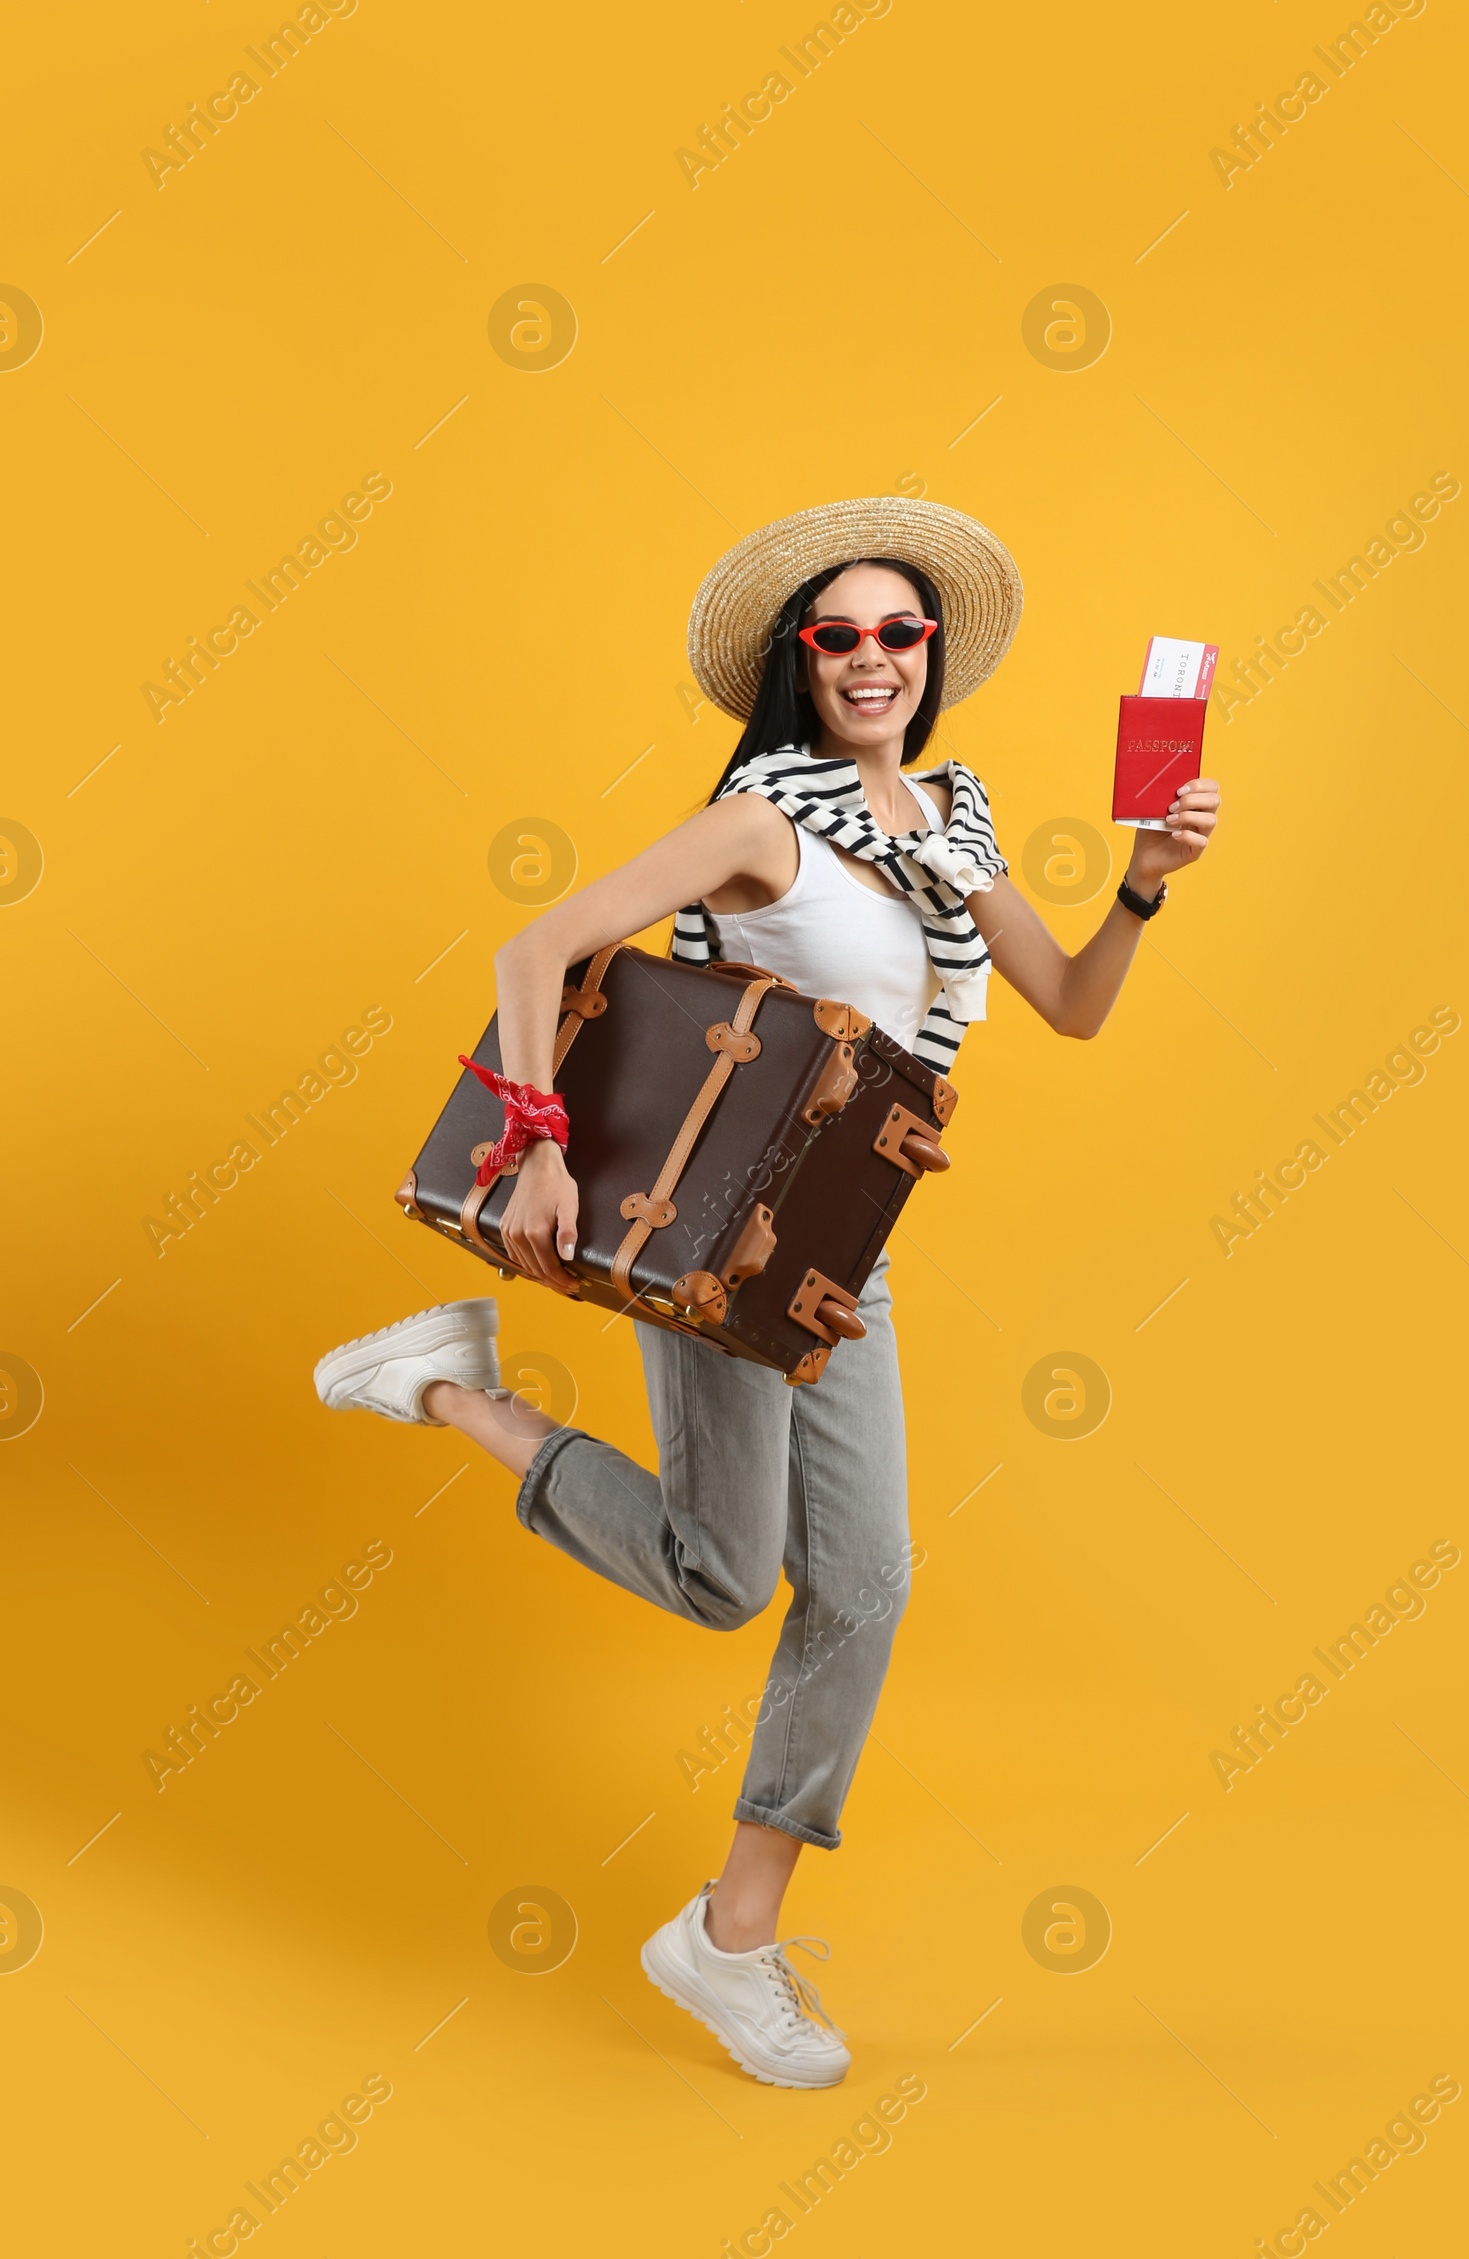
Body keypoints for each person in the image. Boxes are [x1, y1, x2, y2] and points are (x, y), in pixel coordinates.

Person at [313, 497, 1221, 2088]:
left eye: (901, 633)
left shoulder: (957, 824)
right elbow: (542, 951)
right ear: (800, 662)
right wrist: (534, 1145)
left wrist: (1142, 885)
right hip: (726, 1237)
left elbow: (1069, 1005)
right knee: (728, 1581)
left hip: (844, 1258)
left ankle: (728, 1943)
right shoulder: (764, 820)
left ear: (933, 658)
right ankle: (447, 1385)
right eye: (841, 634)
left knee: (865, 1589)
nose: (874, 658)